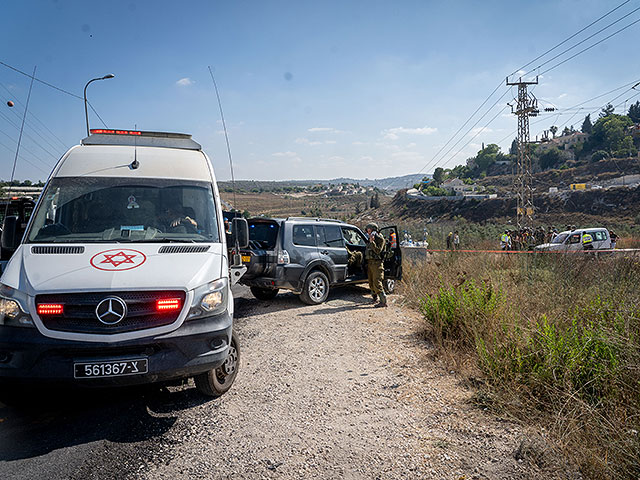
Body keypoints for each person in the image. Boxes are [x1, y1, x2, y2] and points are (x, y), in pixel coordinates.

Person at [364, 223, 387, 308]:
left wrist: (372, 242)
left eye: (369, 229)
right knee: (371, 282)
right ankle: (374, 298)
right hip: (370, 263)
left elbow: (378, 251)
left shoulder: (379, 238)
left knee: (377, 282)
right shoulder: (369, 238)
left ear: (373, 229)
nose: (368, 231)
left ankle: (383, 301)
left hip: (377, 264)